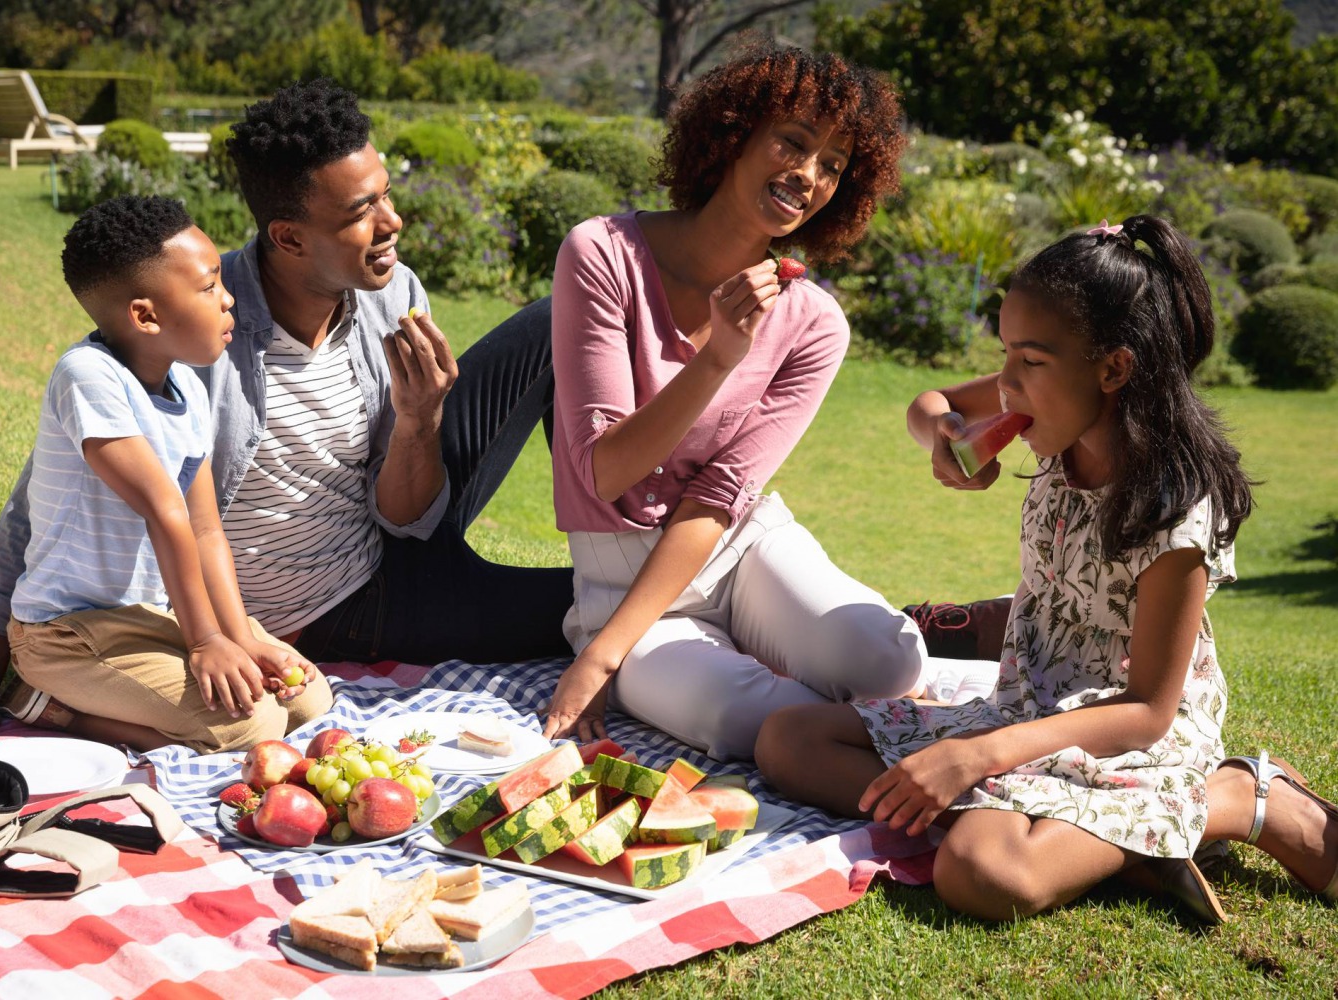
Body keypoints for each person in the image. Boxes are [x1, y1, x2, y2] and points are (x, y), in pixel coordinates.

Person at [0, 78, 572, 748]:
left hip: (387, 532)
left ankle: (628, 548)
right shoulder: (185, 331)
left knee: (560, 320)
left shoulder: (394, 294)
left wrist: (420, 419)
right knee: (573, 613)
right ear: (290, 237)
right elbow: (34, 505)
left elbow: (405, 515)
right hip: (340, 613)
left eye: (386, 194)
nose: (392, 222)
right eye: (361, 212)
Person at [756, 216, 1337, 921]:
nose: (1005, 385)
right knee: (788, 740)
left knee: (980, 871)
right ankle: (1122, 843)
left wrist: (976, 759)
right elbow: (929, 405)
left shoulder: (1173, 509)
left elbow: (1148, 712)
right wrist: (945, 437)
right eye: (1004, 355)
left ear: (1113, 368)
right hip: (1027, 703)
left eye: (1029, 362)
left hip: (1125, 734)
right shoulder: (1049, 404)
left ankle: (1235, 797)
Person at [539, 43, 932, 760]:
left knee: (887, 662)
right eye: (793, 141)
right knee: (736, 719)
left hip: (739, 547)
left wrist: (727, 350)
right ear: (732, 133)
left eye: (833, 165)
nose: (809, 175)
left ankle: (880, 704)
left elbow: (720, 496)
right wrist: (603, 653)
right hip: (621, 583)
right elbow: (606, 472)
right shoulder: (601, 255)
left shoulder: (813, 322)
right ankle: (871, 726)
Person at [0, 194, 331, 753]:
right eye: (208, 288)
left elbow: (204, 530)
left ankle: (144, 693)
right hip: (66, 637)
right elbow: (165, 510)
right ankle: (48, 709)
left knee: (308, 698)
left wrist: (240, 635)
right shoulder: (88, 375)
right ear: (146, 315)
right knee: (250, 727)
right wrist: (205, 642)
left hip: (149, 619)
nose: (229, 302)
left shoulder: (189, 391)